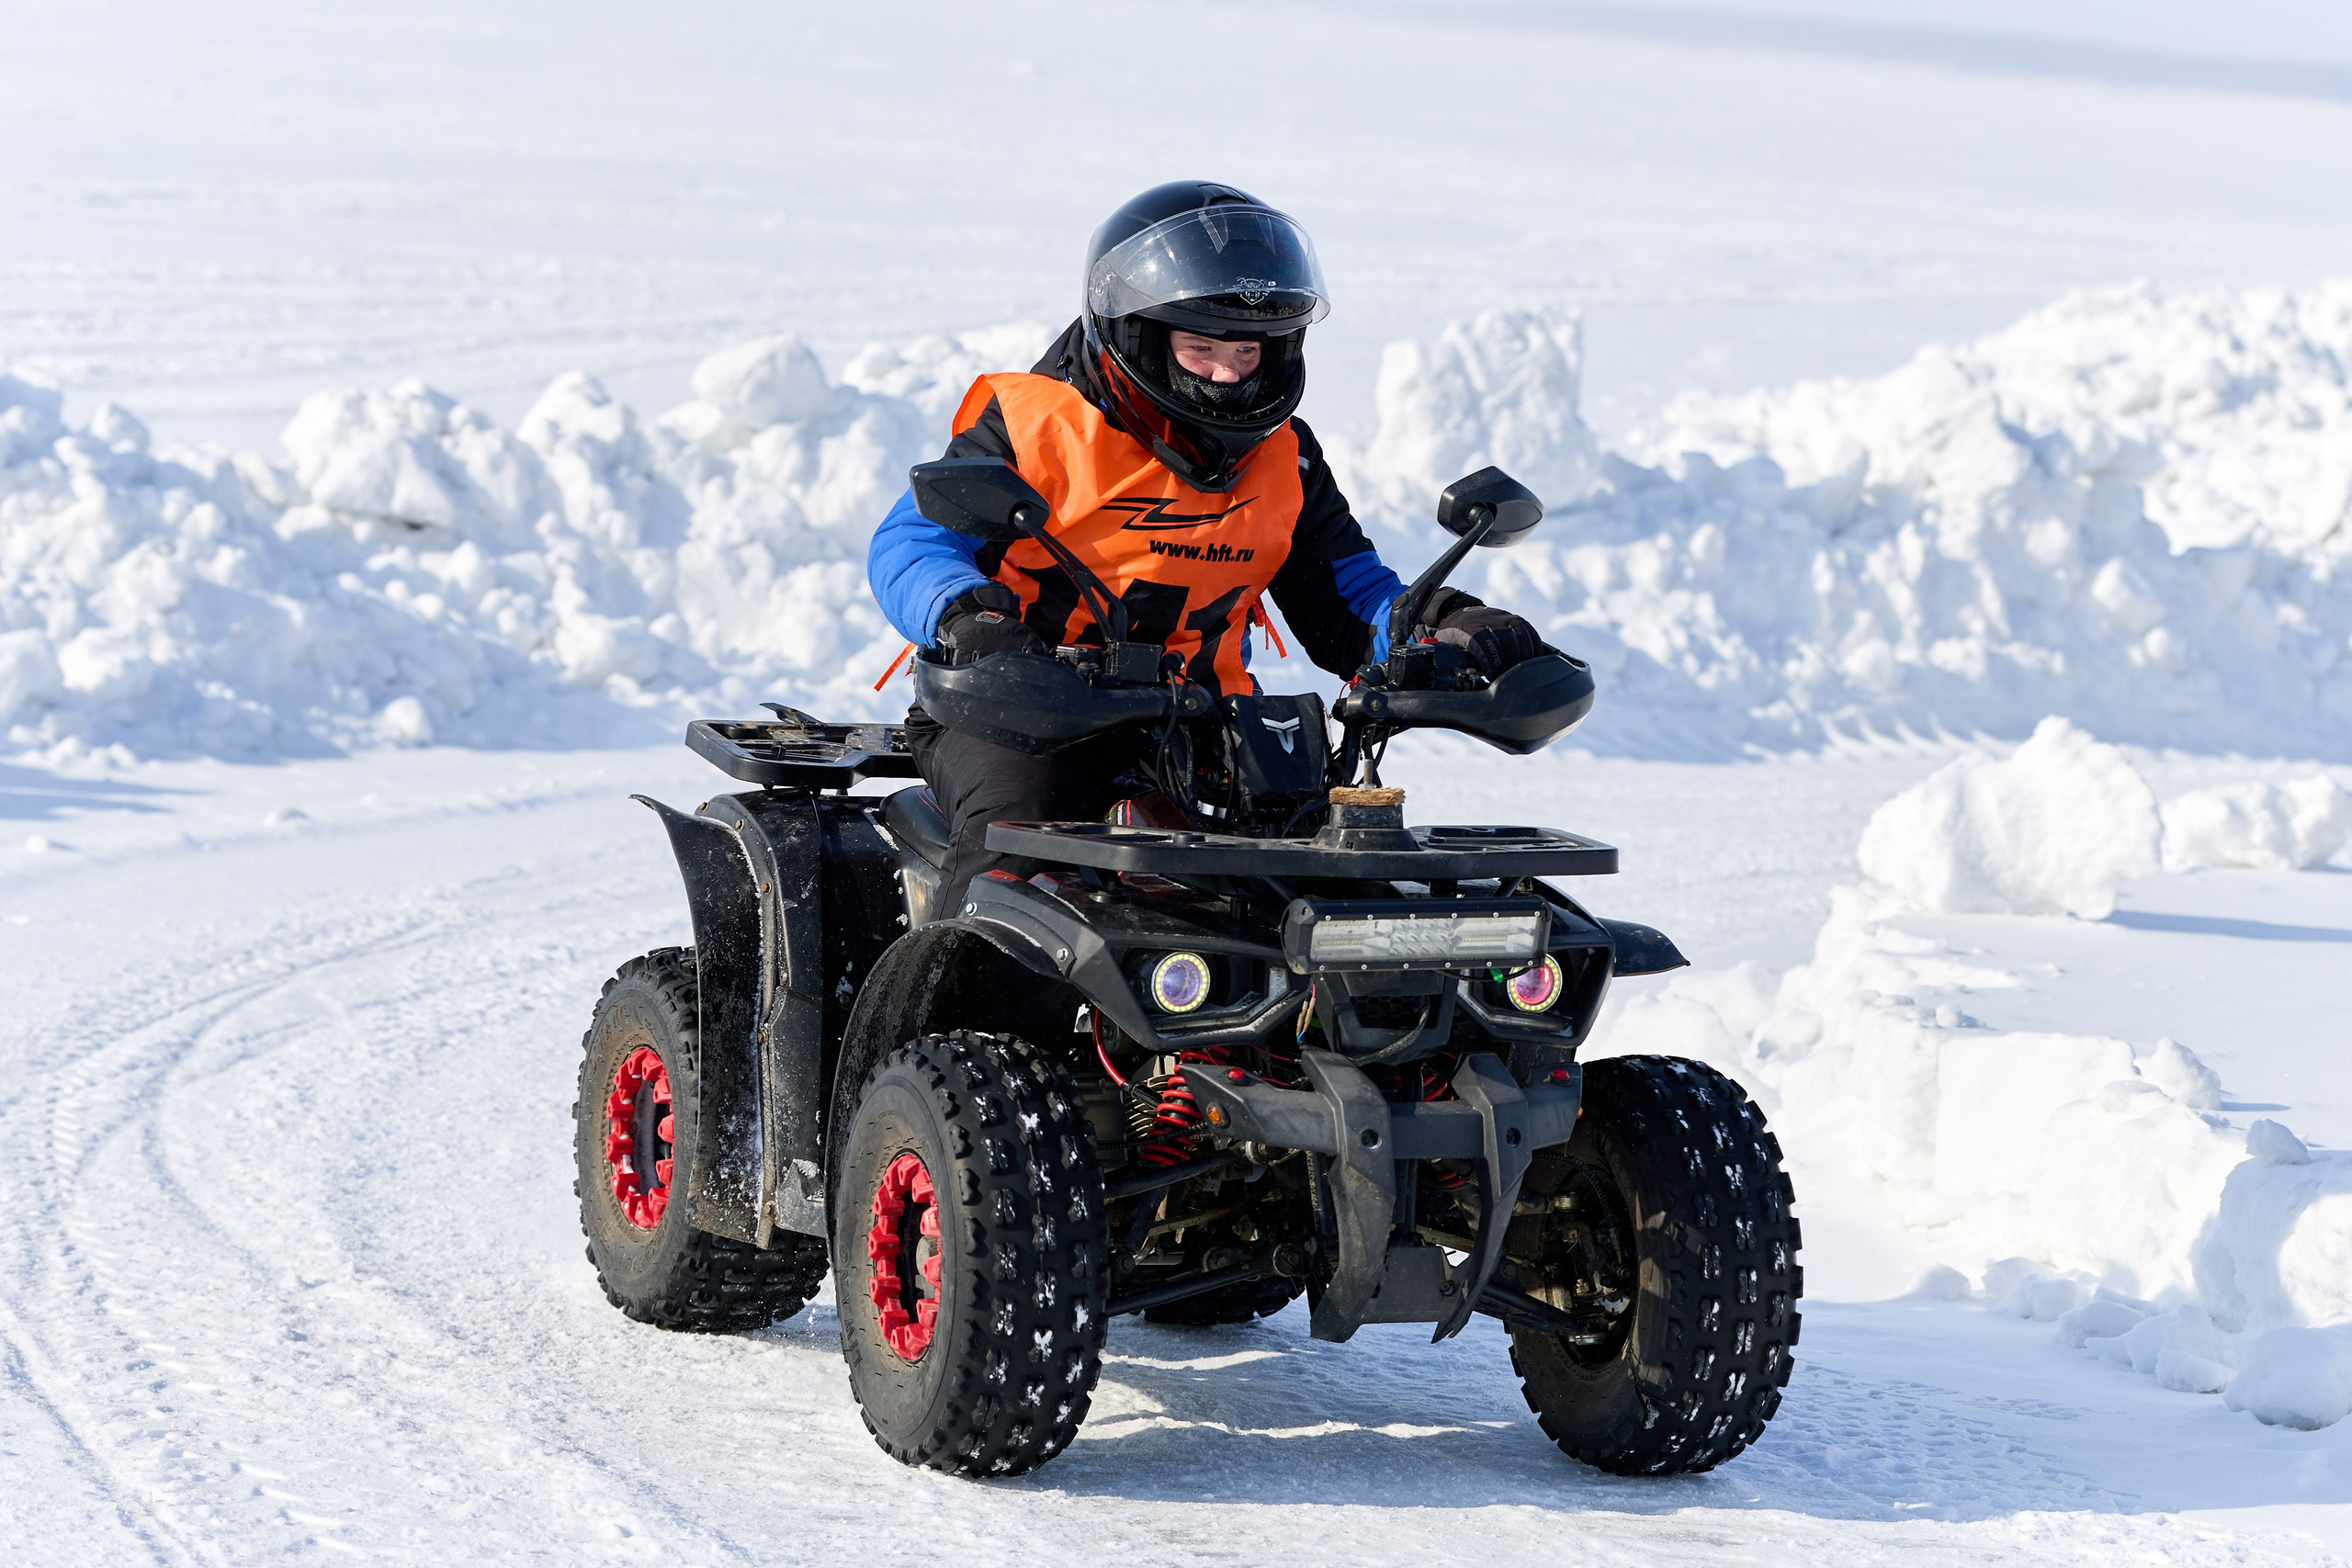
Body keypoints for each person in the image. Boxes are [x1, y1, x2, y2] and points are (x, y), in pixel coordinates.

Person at [867, 180, 1544, 913]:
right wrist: (970, 619)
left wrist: (1449, 622)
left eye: (1246, 350)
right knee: (1019, 839)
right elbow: (912, 542)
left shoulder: (1287, 459)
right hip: (1017, 715)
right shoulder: (1036, 425)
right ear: (1138, 335)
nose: (1228, 373)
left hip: (1207, 728)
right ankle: (951, 988)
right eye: (1202, 347)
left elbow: (1348, 598)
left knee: (1334, 879)